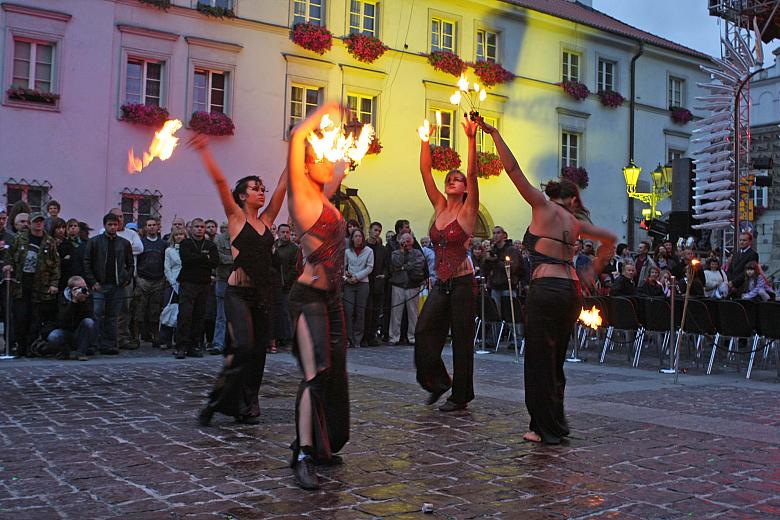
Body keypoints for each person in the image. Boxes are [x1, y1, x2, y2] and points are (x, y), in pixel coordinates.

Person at [477, 117, 616, 444]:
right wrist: (592, 270)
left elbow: (512, 171)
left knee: (538, 358)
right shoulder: (577, 221)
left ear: (551, 194)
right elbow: (609, 239)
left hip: (546, 291)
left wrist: (495, 134)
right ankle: (556, 422)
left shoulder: (542, 207)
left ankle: (542, 428)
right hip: (570, 292)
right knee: (556, 360)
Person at [191, 134, 287, 426]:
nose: (261, 192)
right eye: (255, 189)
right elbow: (221, 184)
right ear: (243, 195)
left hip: (262, 295)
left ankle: (247, 405)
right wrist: (206, 152)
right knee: (243, 346)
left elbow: (284, 185)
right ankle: (216, 401)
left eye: (261, 189)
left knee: (258, 354)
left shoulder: (268, 220)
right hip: (237, 294)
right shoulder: (235, 218)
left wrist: (299, 152)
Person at [285, 103, 351, 490]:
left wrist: (347, 134)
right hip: (307, 299)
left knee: (334, 373)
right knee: (314, 374)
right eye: (320, 156)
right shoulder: (303, 199)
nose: (328, 160)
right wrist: (325, 110)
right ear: (307, 167)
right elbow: (297, 137)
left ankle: (325, 443)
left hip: (332, 300)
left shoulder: (326, 198)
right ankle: (303, 453)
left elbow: (341, 162)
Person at [414, 113, 479, 412]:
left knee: (462, 341)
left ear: (464, 188)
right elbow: (425, 172)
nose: (453, 181)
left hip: (464, 282)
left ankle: (461, 396)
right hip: (442, 283)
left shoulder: (468, 210)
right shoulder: (439, 205)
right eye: (449, 179)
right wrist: (425, 141)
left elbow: (473, 173)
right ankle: (439, 381)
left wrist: (469, 138)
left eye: (458, 180)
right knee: (424, 332)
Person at [3, 212, 60, 356]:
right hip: (21, 284)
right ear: (30, 223)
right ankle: (19, 346)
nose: (38, 224)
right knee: (21, 317)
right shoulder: (20, 239)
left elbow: (55, 265)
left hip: (40, 286)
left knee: (36, 319)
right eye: (36, 222)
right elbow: (9, 256)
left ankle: (31, 347)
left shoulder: (49, 241)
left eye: (41, 221)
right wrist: (8, 266)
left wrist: (54, 283)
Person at [83, 212, 134, 355]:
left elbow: (130, 264)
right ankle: (93, 344)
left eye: (115, 224)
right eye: (110, 224)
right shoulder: (94, 242)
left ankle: (110, 344)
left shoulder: (124, 243)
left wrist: (126, 279)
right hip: (99, 285)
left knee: (113, 317)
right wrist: (93, 281)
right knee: (97, 315)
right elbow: (87, 263)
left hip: (117, 285)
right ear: (104, 225)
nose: (112, 227)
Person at [46, 276, 97, 361]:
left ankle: (81, 353)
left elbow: (89, 315)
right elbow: (62, 321)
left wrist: (83, 301)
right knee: (53, 336)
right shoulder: (62, 297)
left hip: (80, 331)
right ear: (72, 289)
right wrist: (74, 302)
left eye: (85, 287)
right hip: (65, 330)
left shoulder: (88, 296)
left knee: (89, 322)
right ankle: (64, 352)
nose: (83, 289)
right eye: (80, 288)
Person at [388, 233, 426, 345]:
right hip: (398, 285)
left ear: (412, 241)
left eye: (408, 240)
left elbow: (418, 265)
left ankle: (413, 337)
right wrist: (401, 251)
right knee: (396, 313)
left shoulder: (418, 253)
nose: (406, 243)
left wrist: (404, 267)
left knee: (413, 313)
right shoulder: (395, 253)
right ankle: (394, 337)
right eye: (403, 240)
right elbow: (396, 263)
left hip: (413, 285)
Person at [134, 217, 167, 347]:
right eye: (149, 225)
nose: (152, 227)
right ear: (145, 228)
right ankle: (136, 337)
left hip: (158, 280)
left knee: (155, 310)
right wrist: (137, 278)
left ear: (158, 227)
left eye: (154, 225)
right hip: (143, 280)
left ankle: (155, 335)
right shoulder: (141, 243)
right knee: (139, 310)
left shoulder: (163, 244)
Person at [271, 223, 302, 351]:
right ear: (278, 232)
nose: (285, 234)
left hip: (288, 286)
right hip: (273, 285)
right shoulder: (273, 246)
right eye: (283, 232)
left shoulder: (294, 248)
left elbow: (296, 268)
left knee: (287, 313)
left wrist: (286, 281)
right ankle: (277, 339)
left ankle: (290, 340)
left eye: (287, 232)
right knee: (276, 313)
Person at [343, 228, 374, 349]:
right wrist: (347, 277)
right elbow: (344, 267)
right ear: (352, 238)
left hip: (362, 283)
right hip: (349, 284)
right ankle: (349, 338)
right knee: (348, 311)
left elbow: (369, 267)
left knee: (360, 312)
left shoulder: (368, 251)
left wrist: (357, 277)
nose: (358, 238)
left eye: (360, 236)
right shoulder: (347, 252)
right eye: (355, 236)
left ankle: (357, 339)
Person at [160, 228, 186, 349]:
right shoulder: (169, 251)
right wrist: (173, 283)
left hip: (186, 282)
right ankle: (165, 339)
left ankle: (179, 338)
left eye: (181, 234)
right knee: (168, 310)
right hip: (173, 282)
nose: (179, 237)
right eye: (177, 235)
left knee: (182, 312)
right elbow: (167, 268)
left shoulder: (189, 250)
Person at [364, 221, 387, 346]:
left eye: (379, 231)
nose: (377, 233)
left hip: (378, 283)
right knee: (366, 311)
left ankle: (372, 336)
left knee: (376, 311)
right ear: (370, 230)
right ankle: (364, 336)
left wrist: (384, 274)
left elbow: (386, 265)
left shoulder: (382, 249)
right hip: (365, 282)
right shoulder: (364, 247)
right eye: (375, 230)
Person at [212, 222, 232, 354]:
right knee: (221, 316)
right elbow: (218, 257)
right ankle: (218, 343)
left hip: (240, 282)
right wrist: (235, 258)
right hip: (223, 280)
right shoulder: (219, 239)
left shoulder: (244, 239)